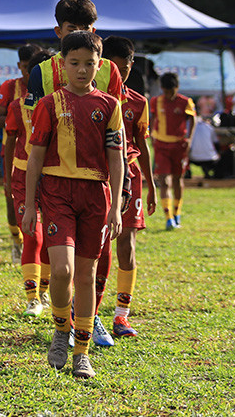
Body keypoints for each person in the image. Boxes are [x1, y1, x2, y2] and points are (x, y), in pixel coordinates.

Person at [21, 31, 124, 380]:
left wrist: (116, 205)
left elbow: (117, 157)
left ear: (100, 66)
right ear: (62, 65)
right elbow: (34, 157)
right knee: (62, 271)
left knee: (86, 276)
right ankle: (61, 329)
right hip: (57, 193)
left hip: (96, 195)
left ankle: (82, 353)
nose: (82, 70)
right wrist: (28, 204)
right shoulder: (50, 104)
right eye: (74, 63)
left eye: (89, 64)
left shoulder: (110, 106)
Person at [100, 36, 156, 339]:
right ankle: (87, 312)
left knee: (127, 244)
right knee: (95, 246)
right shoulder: (92, 99)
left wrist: (152, 185)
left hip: (130, 175)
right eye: (114, 69)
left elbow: (142, 145)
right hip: (99, 177)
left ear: (131, 66)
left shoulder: (138, 102)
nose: (119, 75)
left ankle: (122, 316)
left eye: (125, 69)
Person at [3, 49, 53, 317]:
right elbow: (10, 143)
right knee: (33, 236)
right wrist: (8, 179)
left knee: (49, 239)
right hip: (24, 177)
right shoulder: (17, 106)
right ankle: (32, 297)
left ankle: (45, 291)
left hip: (55, 178)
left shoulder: (63, 105)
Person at [25, 0, 123, 107]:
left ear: (93, 31)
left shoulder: (110, 69)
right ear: (58, 31)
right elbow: (36, 119)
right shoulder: (40, 72)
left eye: (85, 29)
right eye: (72, 30)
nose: (79, 34)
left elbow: (116, 116)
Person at [0, 44, 42, 264]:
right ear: (19, 66)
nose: (28, 72)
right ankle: (16, 240)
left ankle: (40, 245)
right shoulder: (11, 87)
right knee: (12, 199)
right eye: (25, 67)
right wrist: (18, 118)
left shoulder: (49, 88)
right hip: (14, 151)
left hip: (44, 153)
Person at [151, 72, 196, 230]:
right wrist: (151, 134)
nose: (169, 95)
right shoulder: (156, 101)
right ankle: (168, 217)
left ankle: (177, 212)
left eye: (172, 91)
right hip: (161, 145)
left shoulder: (185, 102)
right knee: (164, 181)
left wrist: (189, 138)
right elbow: (152, 117)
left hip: (179, 146)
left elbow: (192, 119)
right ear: (162, 89)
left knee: (177, 180)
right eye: (166, 91)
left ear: (177, 88)